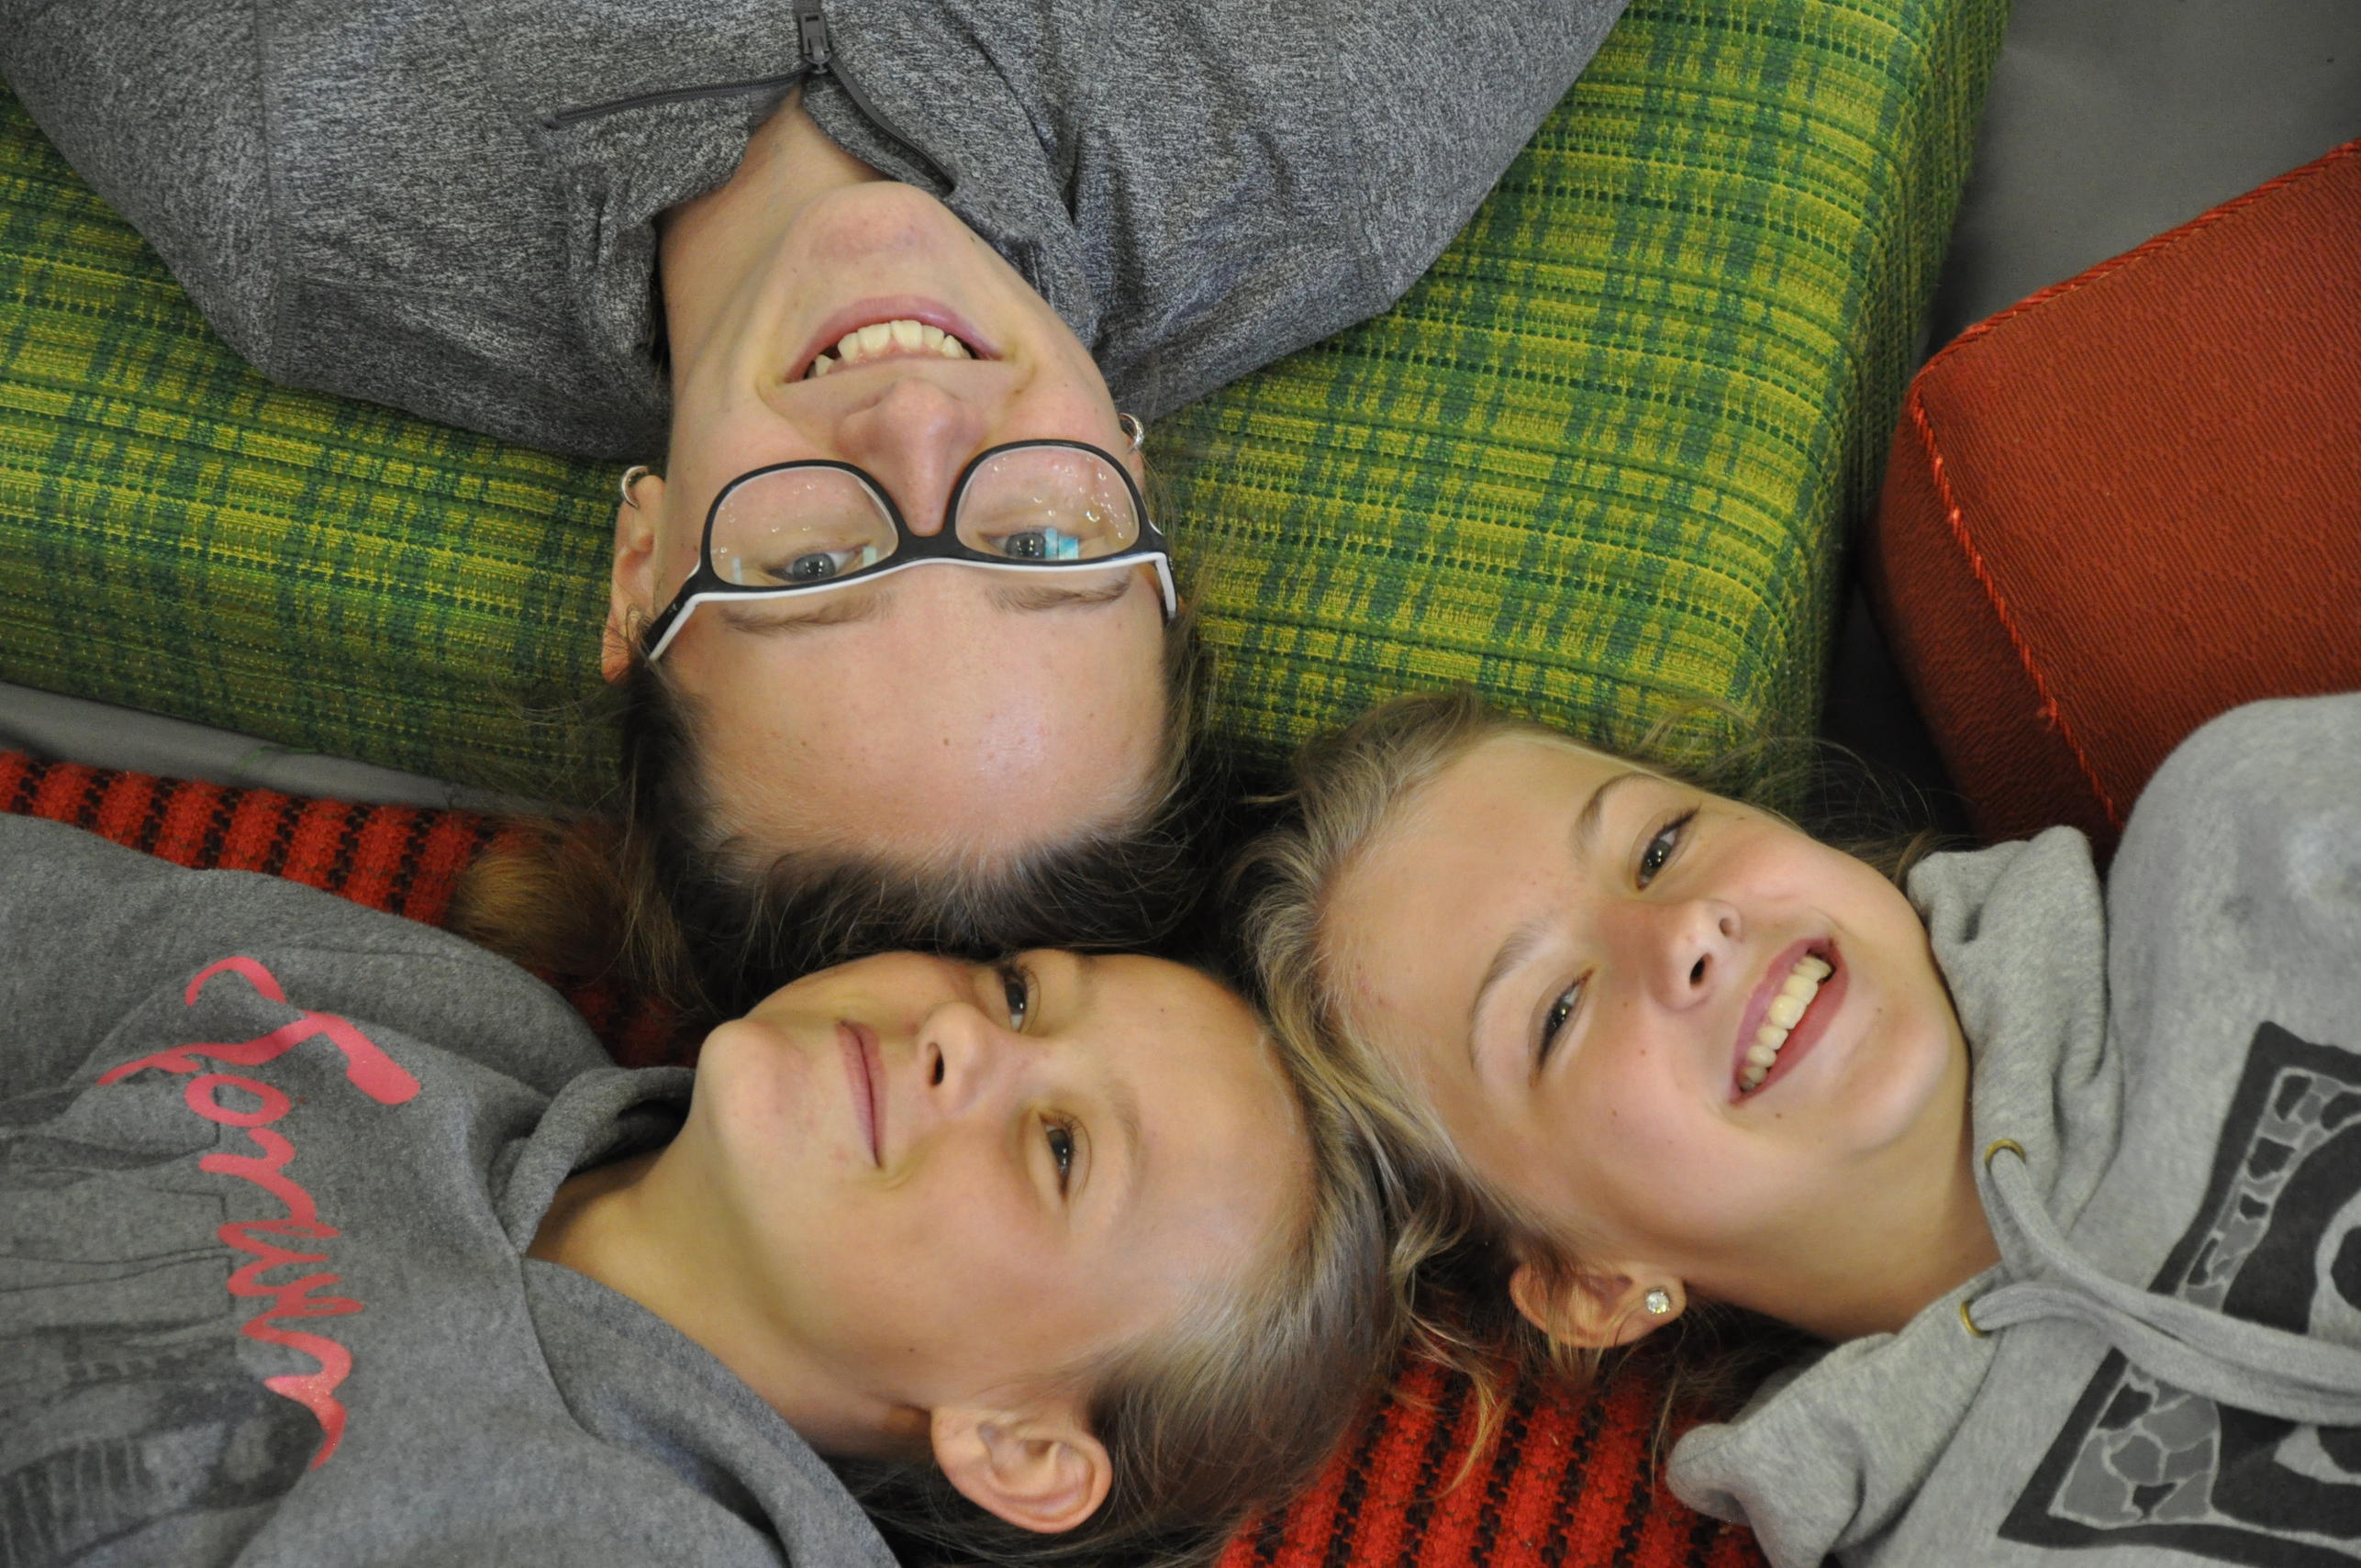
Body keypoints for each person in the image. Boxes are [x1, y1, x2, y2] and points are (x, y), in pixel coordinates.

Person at [0, 0, 1630, 1009]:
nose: (914, 425)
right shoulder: (1329, 132)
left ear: (641, 565)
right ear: (1132, 487)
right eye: (1041, 544)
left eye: (813, 565)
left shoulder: (298, 159)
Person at [0, 812, 1391, 1568]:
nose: (966, 1038)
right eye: (1021, 992)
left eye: (1062, 1148)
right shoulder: (433, 1014)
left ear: (1020, 1445)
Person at [1235, 687, 2361, 1567]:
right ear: (1594, 1286)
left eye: (1658, 845)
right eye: (1558, 1012)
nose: (1685, 928)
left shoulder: (2249, 832)